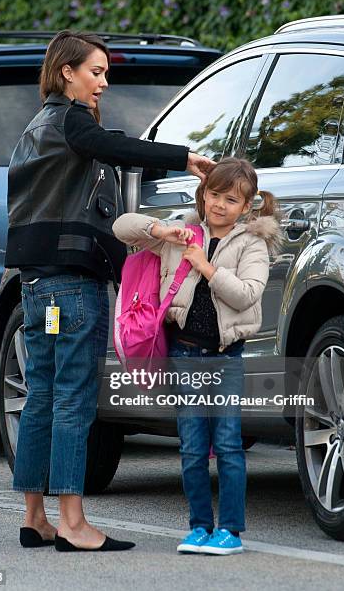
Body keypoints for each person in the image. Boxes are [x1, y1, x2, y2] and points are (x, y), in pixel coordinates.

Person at [4, 29, 214, 552]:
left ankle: (35, 517)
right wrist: (183, 157)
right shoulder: (72, 123)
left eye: (104, 74)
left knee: (43, 394)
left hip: (36, 286)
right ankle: (73, 524)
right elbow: (114, 146)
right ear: (66, 73)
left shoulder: (33, 129)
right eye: (95, 72)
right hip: (72, 287)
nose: (103, 82)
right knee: (74, 399)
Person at [112, 157, 282, 555]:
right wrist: (159, 229)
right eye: (214, 194)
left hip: (226, 357)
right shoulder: (183, 234)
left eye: (231, 199)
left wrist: (205, 267)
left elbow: (246, 294)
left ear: (246, 206)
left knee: (227, 444)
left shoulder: (252, 244)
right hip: (185, 355)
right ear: (203, 194)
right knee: (191, 446)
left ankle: (231, 531)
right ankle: (199, 526)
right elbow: (122, 228)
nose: (220, 204)